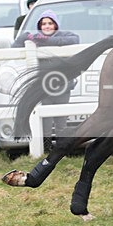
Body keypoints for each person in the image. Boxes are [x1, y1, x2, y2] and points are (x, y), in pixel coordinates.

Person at [12, 10, 80, 145]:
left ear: (55, 25)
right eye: (43, 24)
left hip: (63, 87)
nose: (47, 26)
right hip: (44, 89)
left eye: (50, 23)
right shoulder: (35, 38)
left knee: (61, 122)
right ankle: (47, 148)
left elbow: (75, 39)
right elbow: (15, 45)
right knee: (46, 124)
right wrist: (29, 37)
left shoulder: (65, 35)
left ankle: (62, 149)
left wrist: (46, 41)